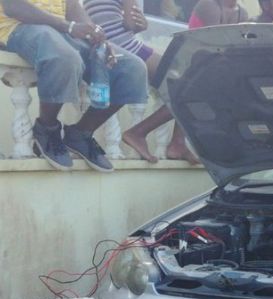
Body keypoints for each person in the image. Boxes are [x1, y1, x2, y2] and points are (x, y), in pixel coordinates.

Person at [0, 0, 149, 171]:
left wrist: (97, 37)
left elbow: (71, 5)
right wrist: (69, 26)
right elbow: (13, 6)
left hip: (62, 31)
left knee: (132, 68)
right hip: (19, 27)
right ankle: (47, 129)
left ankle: (80, 134)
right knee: (65, 58)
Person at [83, 0, 197, 164]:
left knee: (186, 82)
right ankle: (141, 133)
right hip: (124, 46)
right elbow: (131, 23)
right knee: (192, 83)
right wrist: (142, 25)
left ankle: (177, 143)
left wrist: (138, 24)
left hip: (110, 44)